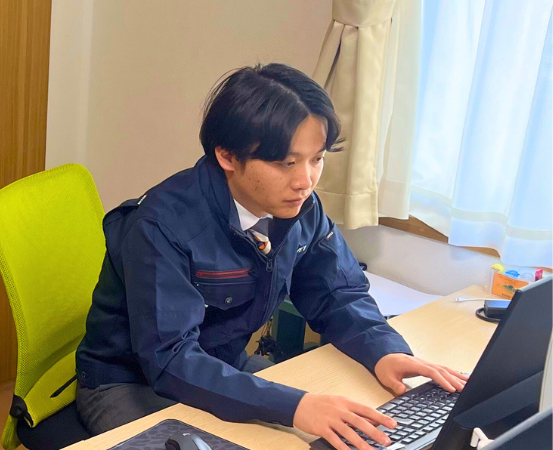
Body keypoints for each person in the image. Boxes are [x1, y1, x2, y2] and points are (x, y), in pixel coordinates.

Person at [75, 63, 467, 450]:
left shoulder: (299, 207)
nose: (305, 181)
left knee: (347, 425)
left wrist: (384, 351)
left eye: (317, 159)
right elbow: (170, 359)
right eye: (287, 163)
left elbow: (338, 293)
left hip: (223, 365)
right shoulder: (161, 225)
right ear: (228, 156)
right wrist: (293, 406)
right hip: (129, 380)